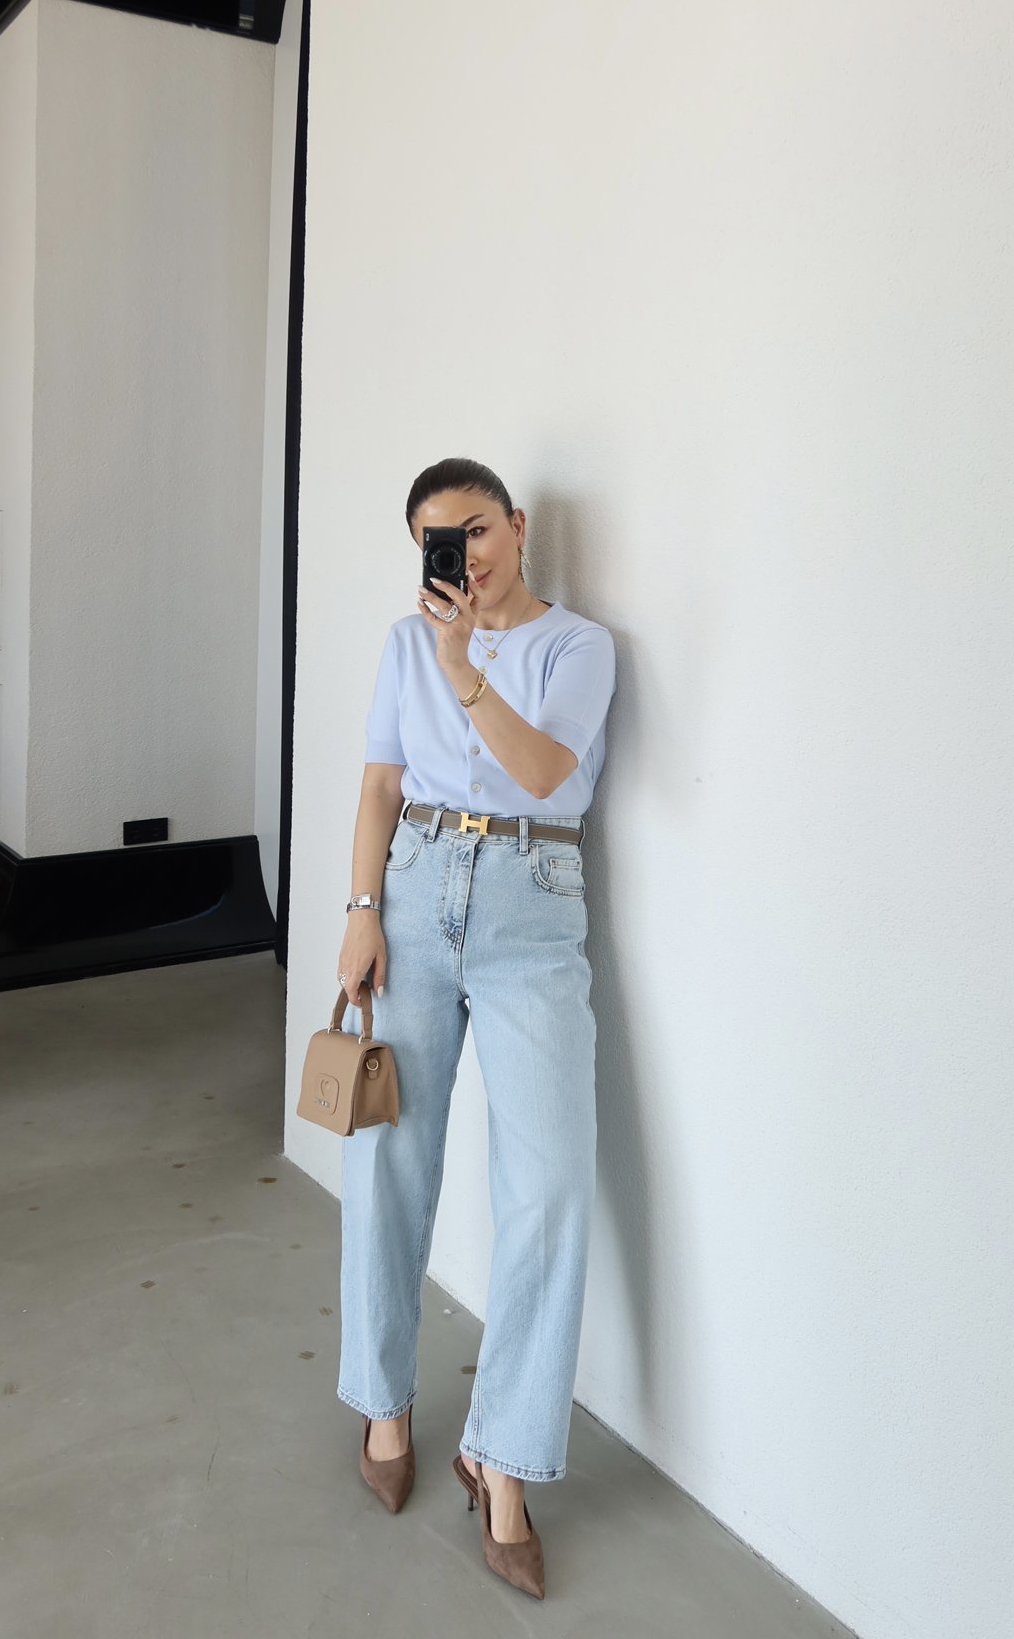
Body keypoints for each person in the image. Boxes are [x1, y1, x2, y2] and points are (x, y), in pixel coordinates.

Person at [334, 456, 616, 1599]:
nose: (467, 555)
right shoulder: (405, 643)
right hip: (412, 893)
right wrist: (360, 913)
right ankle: (384, 1404)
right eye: (440, 541)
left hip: (530, 907)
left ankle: (502, 1458)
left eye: (479, 529)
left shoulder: (578, 647)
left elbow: (547, 773)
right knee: (389, 1158)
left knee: (550, 1187)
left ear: (517, 525)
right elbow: (379, 786)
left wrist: (464, 668)